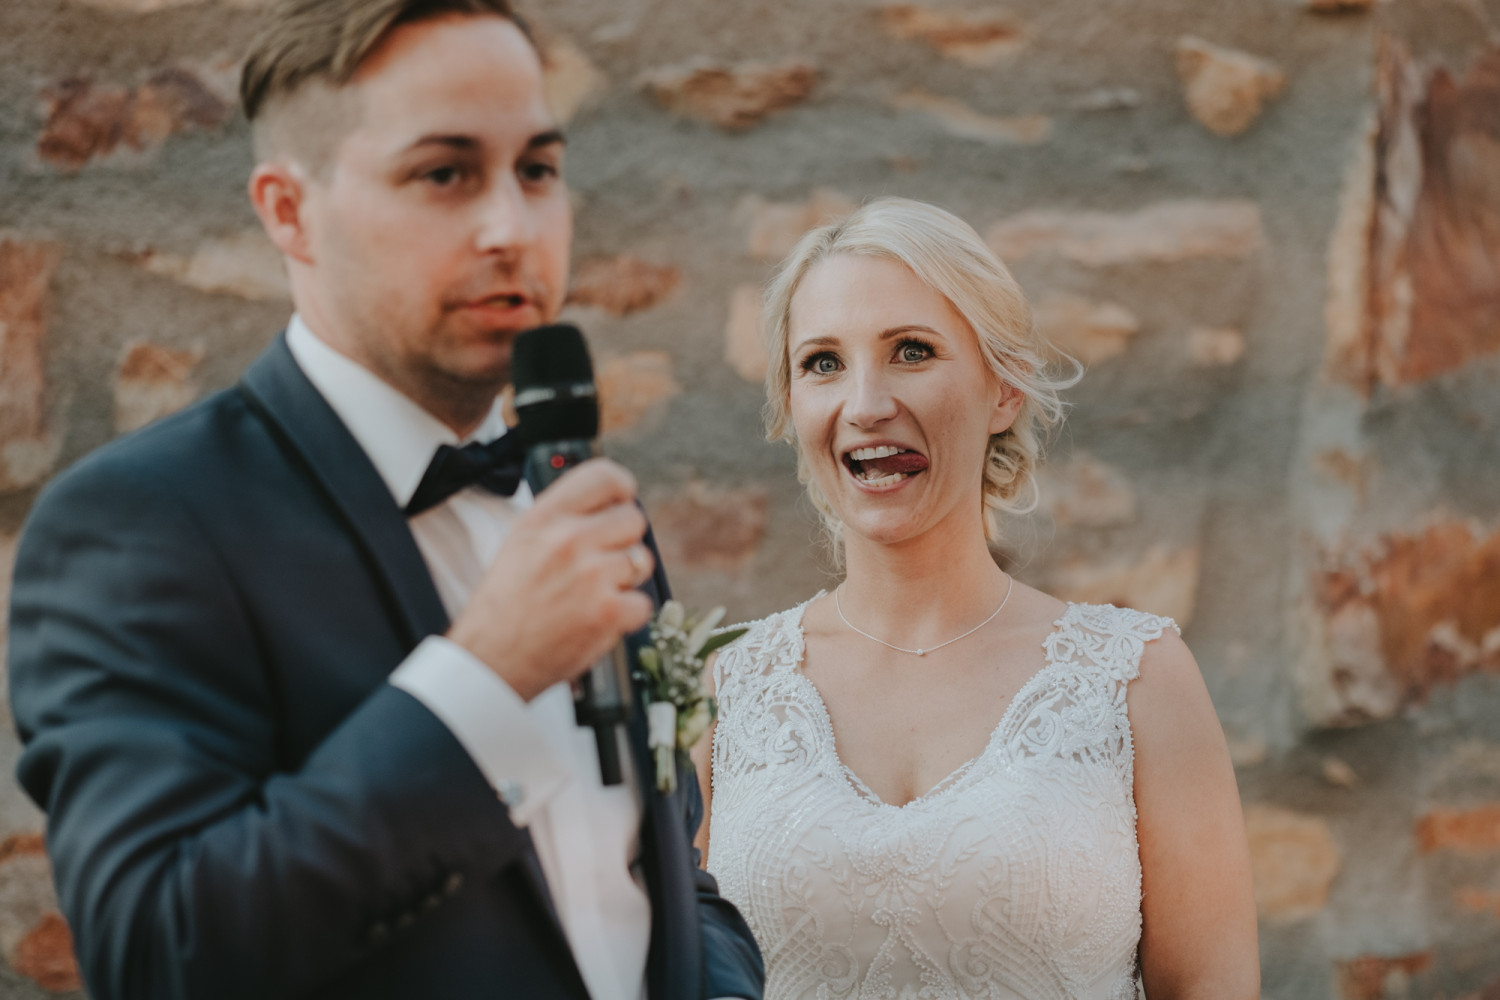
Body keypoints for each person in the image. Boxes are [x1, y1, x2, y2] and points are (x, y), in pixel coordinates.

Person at [6, 1, 763, 998]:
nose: (512, 226)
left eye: (537, 168)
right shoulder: (140, 524)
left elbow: (655, 870)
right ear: (288, 210)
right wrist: (486, 677)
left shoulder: (572, 494)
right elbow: (161, 951)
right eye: (444, 173)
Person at [692, 198, 1259, 999]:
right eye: (822, 363)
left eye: (912, 351)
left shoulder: (1138, 681)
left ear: (1004, 389)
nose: (864, 405)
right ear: (792, 405)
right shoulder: (721, 690)